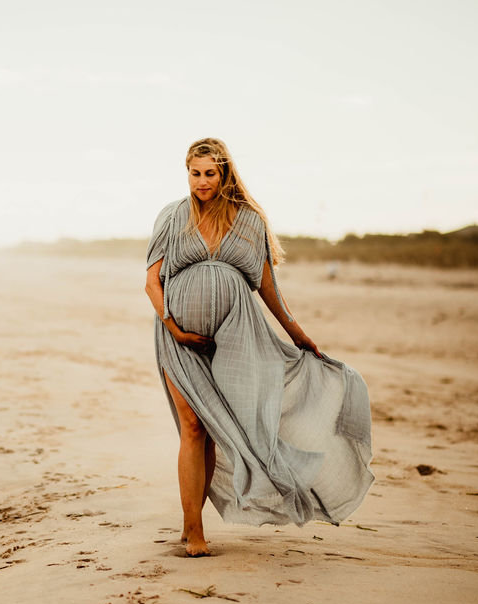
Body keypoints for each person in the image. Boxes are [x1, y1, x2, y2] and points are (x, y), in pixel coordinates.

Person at [145, 138, 374, 557]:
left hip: (235, 337)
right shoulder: (172, 216)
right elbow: (151, 281)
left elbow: (269, 287)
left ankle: (193, 519)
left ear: (225, 174)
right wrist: (173, 326)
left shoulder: (248, 220)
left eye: (210, 174)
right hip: (176, 339)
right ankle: (193, 531)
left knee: (214, 431)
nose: (201, 182)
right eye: (195, 173)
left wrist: (297, 333)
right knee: (193, 427)